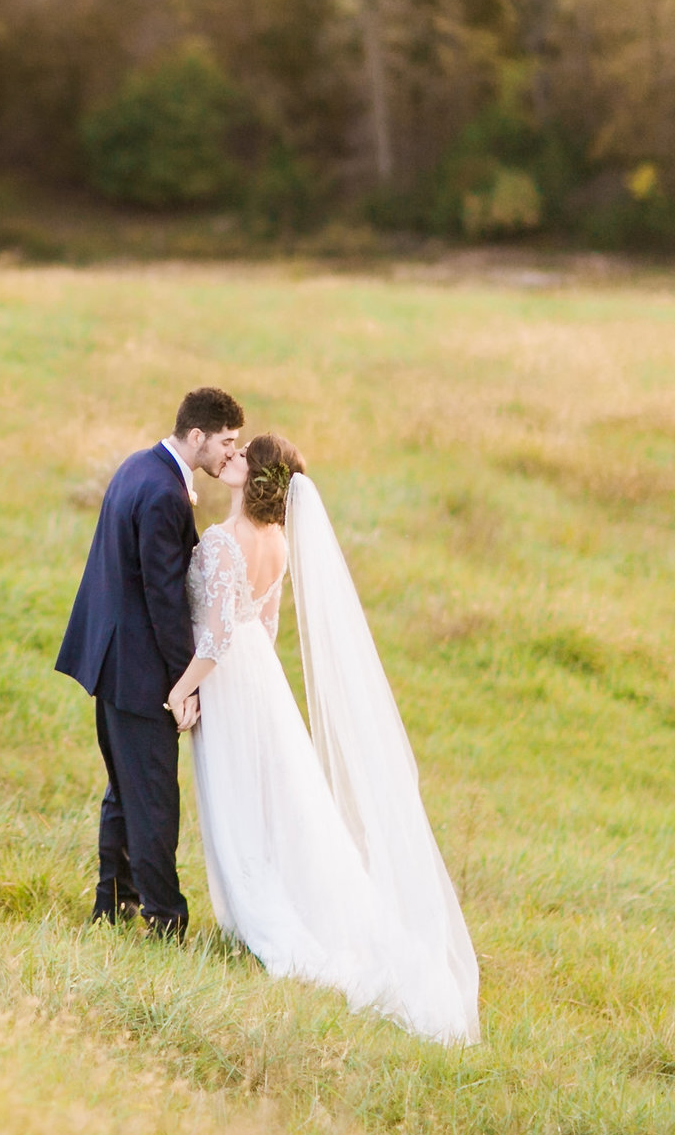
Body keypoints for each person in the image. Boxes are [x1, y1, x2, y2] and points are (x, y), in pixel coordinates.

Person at [166, 434, 482, 1045]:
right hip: (262, 678)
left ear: (254, 477)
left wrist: (184, 689)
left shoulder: (226, 542)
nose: (230, 460)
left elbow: (217, 639)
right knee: (275, 796)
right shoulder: (278, 543)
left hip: (230, 678)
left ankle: (256, 913)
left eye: (241, 457)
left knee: (240, 794)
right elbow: (266, 624)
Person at [54, 387, 247, 936]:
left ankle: (111, 907)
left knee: (125, 791)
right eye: (224, 443)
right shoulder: (164, 493)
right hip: (139, 671)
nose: (230, 455)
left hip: (109, 661)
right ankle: (166, 921)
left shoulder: (138, 465)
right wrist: (182, 685)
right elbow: (165, 602)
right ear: (195, 437)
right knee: (154, 800)